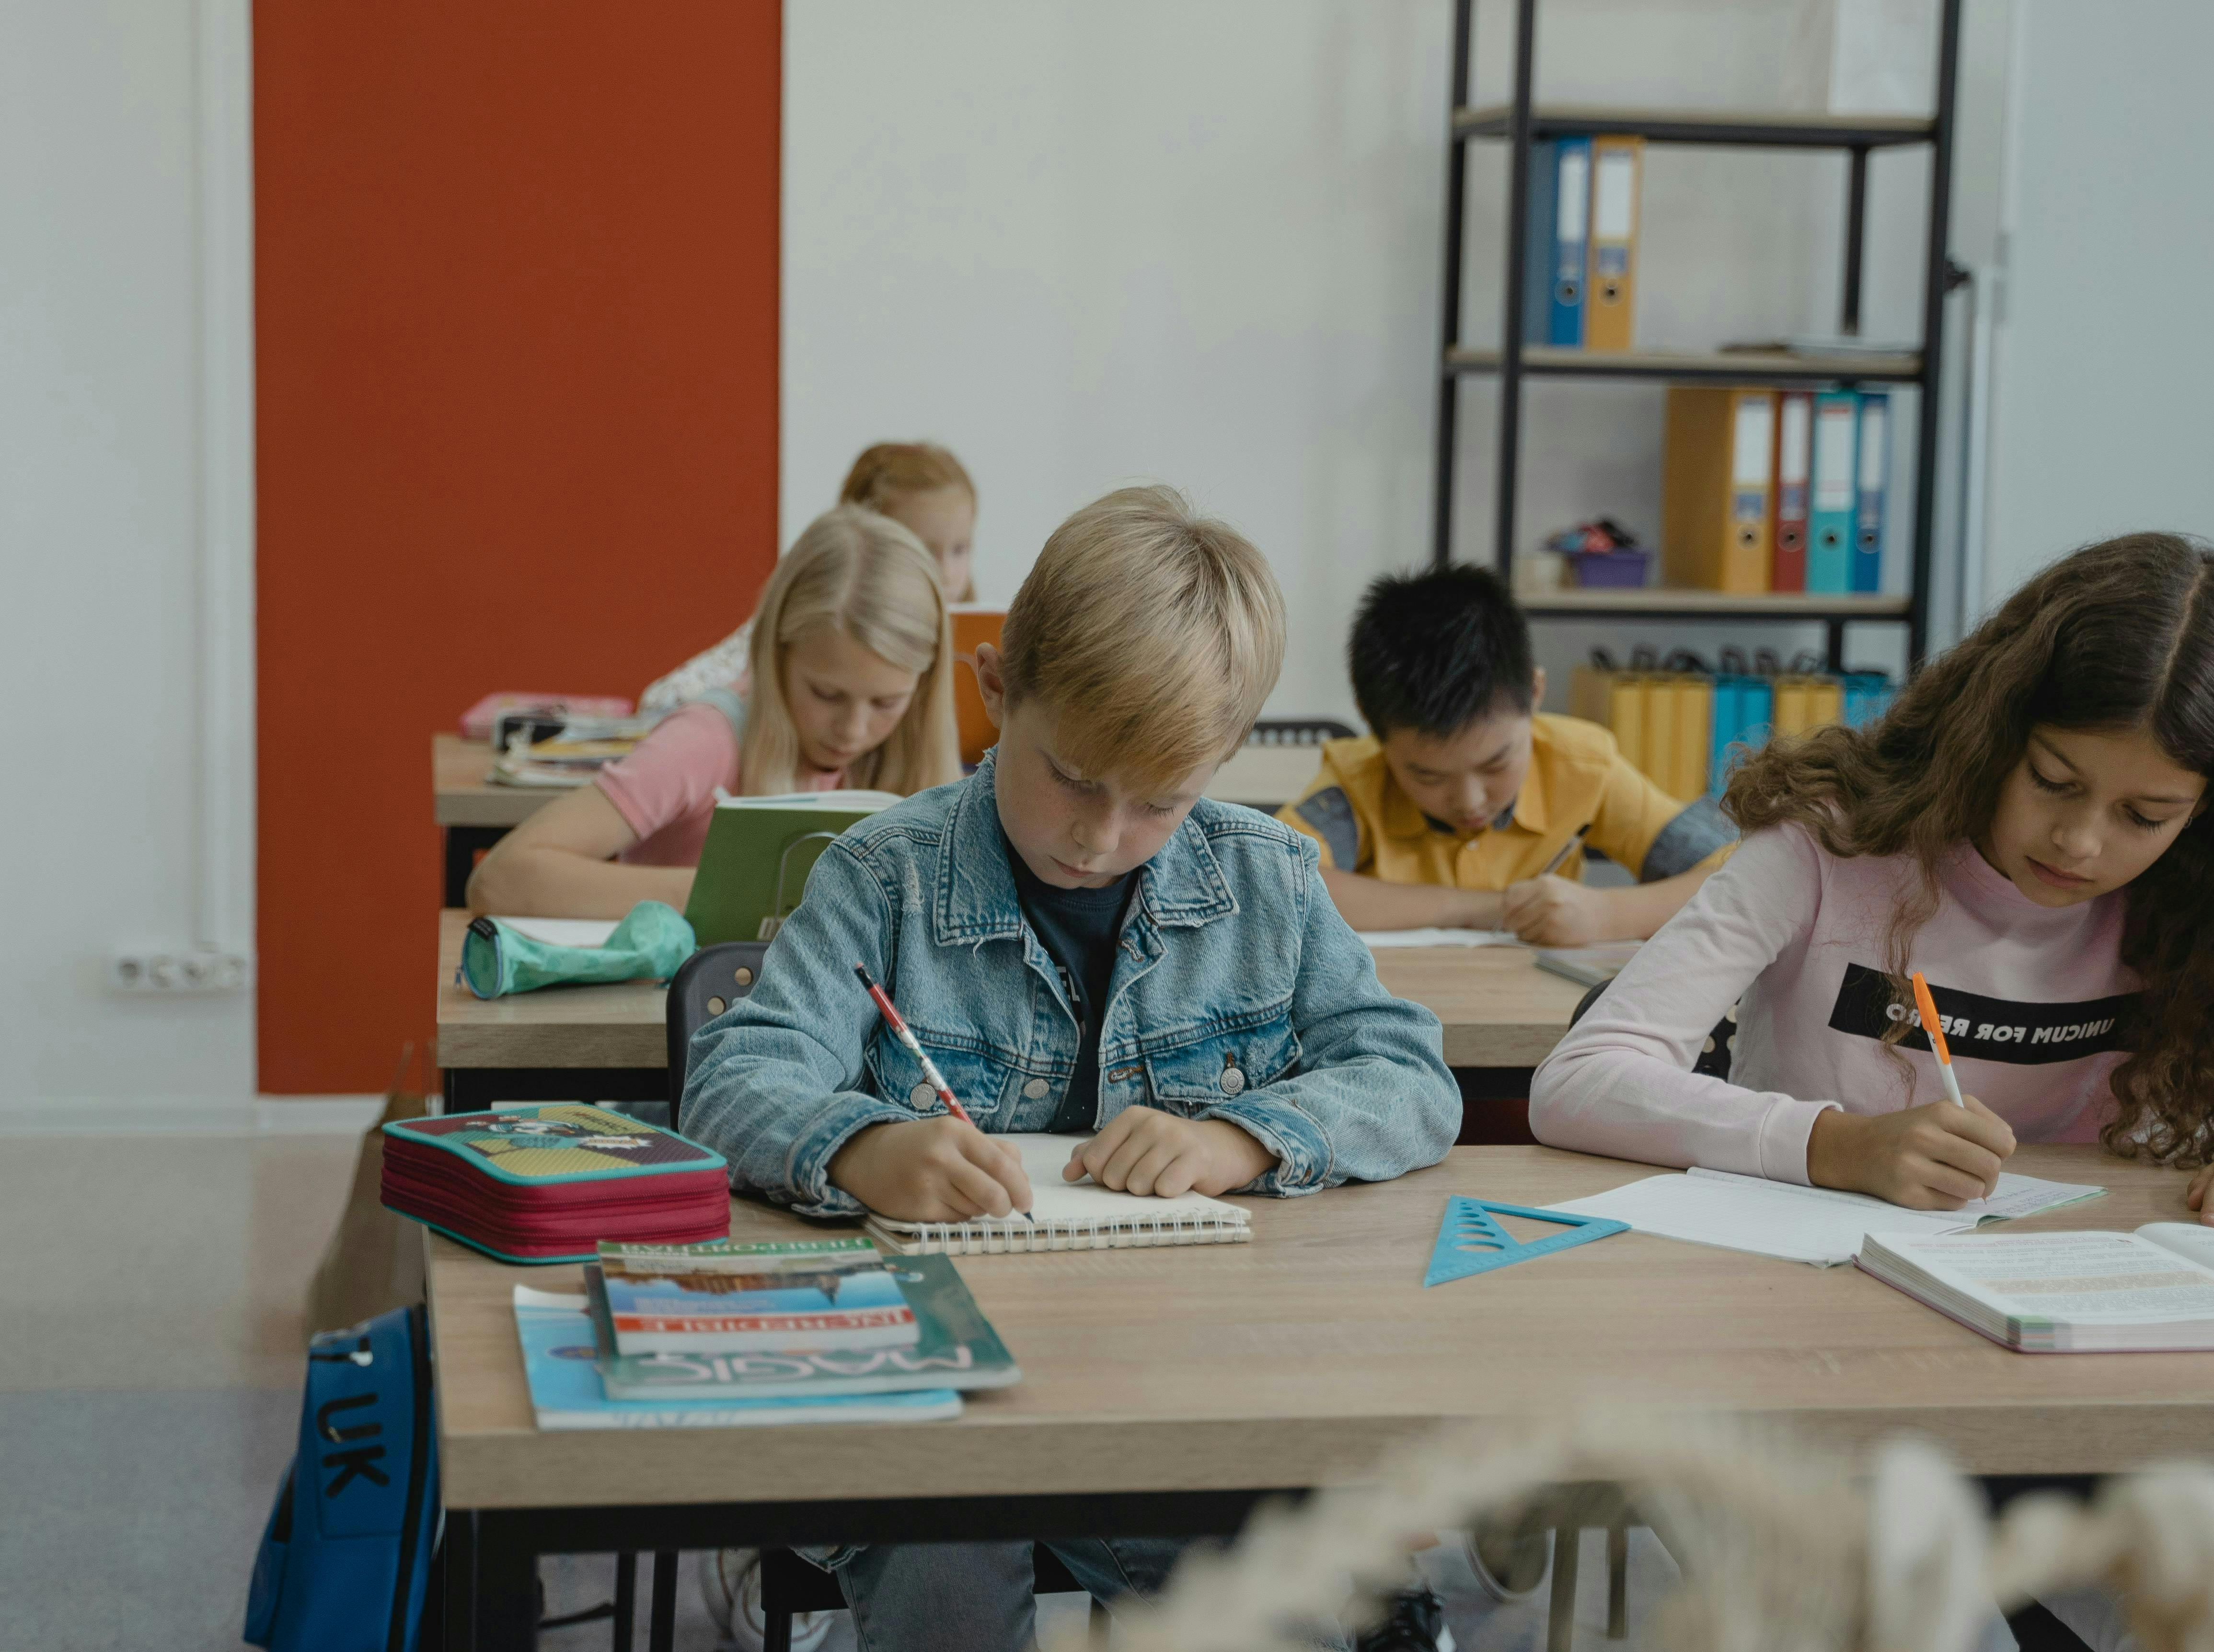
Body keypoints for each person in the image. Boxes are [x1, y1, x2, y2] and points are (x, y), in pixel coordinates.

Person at [681, 485, 1460, 1651]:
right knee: (944, 1571)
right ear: (994, 690)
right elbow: (736, 1073)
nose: (1099, 834)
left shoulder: (1268, 879)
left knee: (1255, 1591)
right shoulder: (880, 875)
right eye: (1072, 776)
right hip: (928, 1400)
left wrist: (1239, 1134)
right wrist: (865, 1146)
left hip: (1177, 1387)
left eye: (1160, 799)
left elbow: (1406, 1070)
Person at [1532, 532, 2214, 1241]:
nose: (2080, 839)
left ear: (2208, 815)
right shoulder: (1828, 851)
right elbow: (1580, 1082)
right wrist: (1836, 1145)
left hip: (2078, 1284)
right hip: (1809, 1281)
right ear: (1993, 731)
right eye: (2054, 782)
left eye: (2144, 816)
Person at [465, 506, 959, 918]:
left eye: (886, 703)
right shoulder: (706, 740)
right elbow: (501, 879)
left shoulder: (906, 751)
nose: (853, 730)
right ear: (776, 654)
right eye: (826, 695)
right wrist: (729, 897)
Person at [1276, 565, 1733, 945]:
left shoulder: (1582, 766)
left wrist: (1608, 914)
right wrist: (1483, 909)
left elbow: (1732, 874)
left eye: (1496, 765)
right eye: (1427, 777)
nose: (1471, 800)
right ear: (1374, 729)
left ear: (1535, 692)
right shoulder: (1359, 780)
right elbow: (1277, 886)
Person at [641, 440, 978, 713]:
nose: (947, 574)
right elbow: (663, 702)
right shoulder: (820, 613)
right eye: (921, 551)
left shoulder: (980, 631)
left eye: (960, 550)